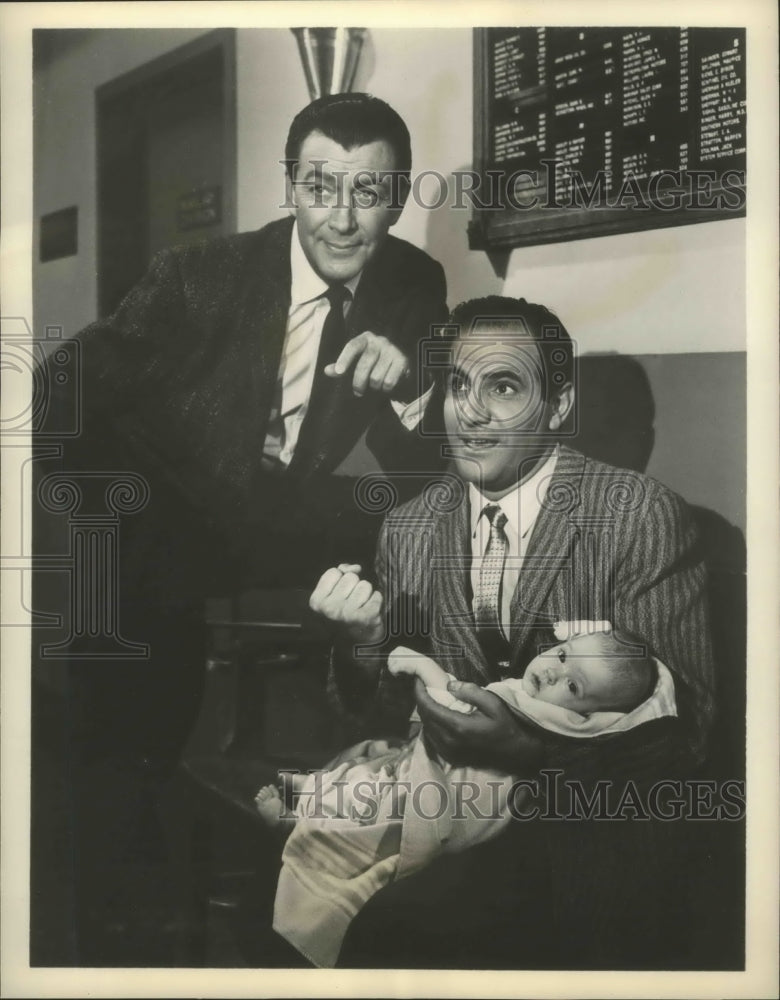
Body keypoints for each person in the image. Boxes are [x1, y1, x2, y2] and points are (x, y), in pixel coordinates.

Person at [33, 92, 447, 963]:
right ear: (289, 186)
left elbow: (418, 467)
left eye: (368, 192)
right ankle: (115, 921)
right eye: (320, 186)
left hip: (273, 508)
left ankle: (372, 797)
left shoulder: (414, 284)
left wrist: (411, 387)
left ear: (400, 195)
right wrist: (108, 516)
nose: (342, 217)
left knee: (403, 555)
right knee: (129, 719)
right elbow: (62, 391)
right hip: (160, 502)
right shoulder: (199, 274)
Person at [310, 295, 714, 968]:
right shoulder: (409, 530)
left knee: (394, 932)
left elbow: (690, 734)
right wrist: (363, 642)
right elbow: (384, 707)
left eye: (502, 387)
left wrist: (528, 748)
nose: (469, 412)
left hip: (587, 835)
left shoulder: (639, 515)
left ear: (557, 406)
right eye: (457, 385)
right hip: (437, 819)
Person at [254, 627, 670, 968]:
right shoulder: (558, 705)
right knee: (374, 769)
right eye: (561, 656)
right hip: (455, 790)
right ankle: (313, 804)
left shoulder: (551, 717)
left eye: (574, 685)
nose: (552, 674)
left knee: (378, 804)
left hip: (459, 804)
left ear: (590, 716)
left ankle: (302, 823)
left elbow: (453, 697)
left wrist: (423, 667)